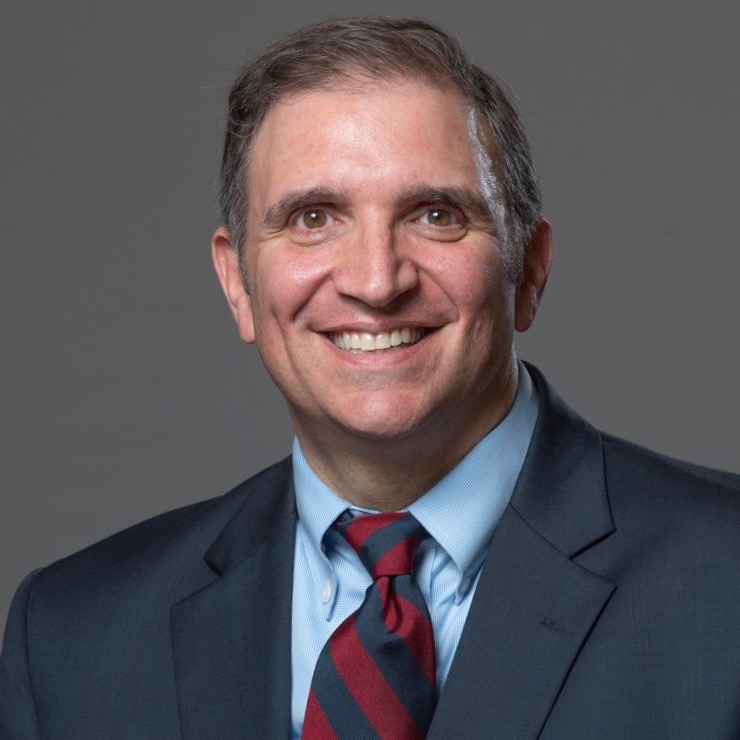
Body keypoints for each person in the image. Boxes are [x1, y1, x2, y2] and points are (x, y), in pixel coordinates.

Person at [1, 16, 738, 740]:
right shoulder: (70, 636)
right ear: (237, 283)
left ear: (530, 270)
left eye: (436, 214)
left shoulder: (723, 580)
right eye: (313, 218)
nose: (377, 282)